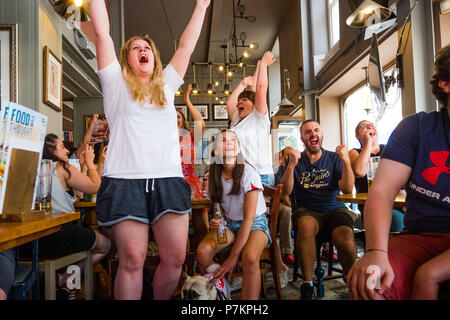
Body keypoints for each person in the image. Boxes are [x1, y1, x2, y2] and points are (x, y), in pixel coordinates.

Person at [90, 0, 210, 300]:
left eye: (146, 47)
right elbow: (102, 33)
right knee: (132, 259)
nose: (142, 50)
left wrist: (202, 7)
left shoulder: (167, 84)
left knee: (175, 259)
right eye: (135, 48)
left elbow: (185, 48)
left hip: (168, 181)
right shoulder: (115, 83)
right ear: (127, 58)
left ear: (153, 58)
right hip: (125, 182)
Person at [347, 45, 450, 300]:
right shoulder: (416, 128)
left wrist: (431, 273)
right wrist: (375, 252)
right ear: (445, 84)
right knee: (369, 280)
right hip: (420, 236)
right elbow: (382, 191)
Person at [20, 134, 111, 298]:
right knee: (105, 244)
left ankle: (63, 280)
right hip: (59, 234)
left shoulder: (28, 168)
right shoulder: (62, 167)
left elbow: (77, 194)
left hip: (31, 240)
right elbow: (94, 187)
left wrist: (84, 166)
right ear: (50, 150)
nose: (67, 150)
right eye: (62, 146)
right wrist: (91, 163)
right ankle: (68, 281)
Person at [281, 120, 357, 300]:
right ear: (302, 138)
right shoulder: (296, 159)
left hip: (335, 210)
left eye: (316, 130)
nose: (313, 134)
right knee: (306, 225)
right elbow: (286, 191)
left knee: (345, 239)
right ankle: (307, 285)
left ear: (321, 135)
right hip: (307, 210)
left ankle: (352, 280)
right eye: (308, 132)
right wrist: (291, 165)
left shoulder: (333, 158)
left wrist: (346, 161)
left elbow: (347, 189)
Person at [195, 130, 271, 300]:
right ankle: (223, 293)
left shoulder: (248, 173)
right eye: (223, 140)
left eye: (233, 140)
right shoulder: (213, 176)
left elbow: (249, 219)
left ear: (238, 149)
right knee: (202, 252)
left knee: (250, 258)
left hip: (254, 225)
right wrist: (217, 221)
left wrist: (232, 257)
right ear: (215, 151)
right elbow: (219, 208)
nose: (229, 143)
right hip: (229, 224)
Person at [227, 51, 276, 187]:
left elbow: (260, 88)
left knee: (259, 209)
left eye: (244, 100)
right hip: (241, 174)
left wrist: (264, 65)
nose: (238, 103)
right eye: (239, 101)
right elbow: (230, 102)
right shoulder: (237, 118)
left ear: (254, 105)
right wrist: (243, 83)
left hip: (261, 175)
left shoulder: (259, 116)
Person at [348, 120, 404, 232]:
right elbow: (359, 172)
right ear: (357, 135)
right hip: (371, 206)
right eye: (364, 126)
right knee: (395, 219)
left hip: (394, 203)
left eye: (372, 125)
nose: (369, 127)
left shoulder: (389, 149)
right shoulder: (354, 153)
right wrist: (368, 143)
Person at [177, 83, 207, 251]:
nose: (175, 119)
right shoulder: (162, 138)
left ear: (183, 120)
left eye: (178, 116)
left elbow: (201, 124)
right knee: (178, 230)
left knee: (202, 228)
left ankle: (195, 256)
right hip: (173, 184)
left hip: (192, 184)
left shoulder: (190, 136)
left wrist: (187, 100)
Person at [274, 146, 295, 266]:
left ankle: (327, 249)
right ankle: (286, 252)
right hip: (281, 202)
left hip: (298, 201)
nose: (291, 157)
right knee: (287, 211)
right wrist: (294, 207)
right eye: (288, 155)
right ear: (282, 156)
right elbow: (283, 194)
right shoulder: (278, 170)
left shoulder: (299, 168)